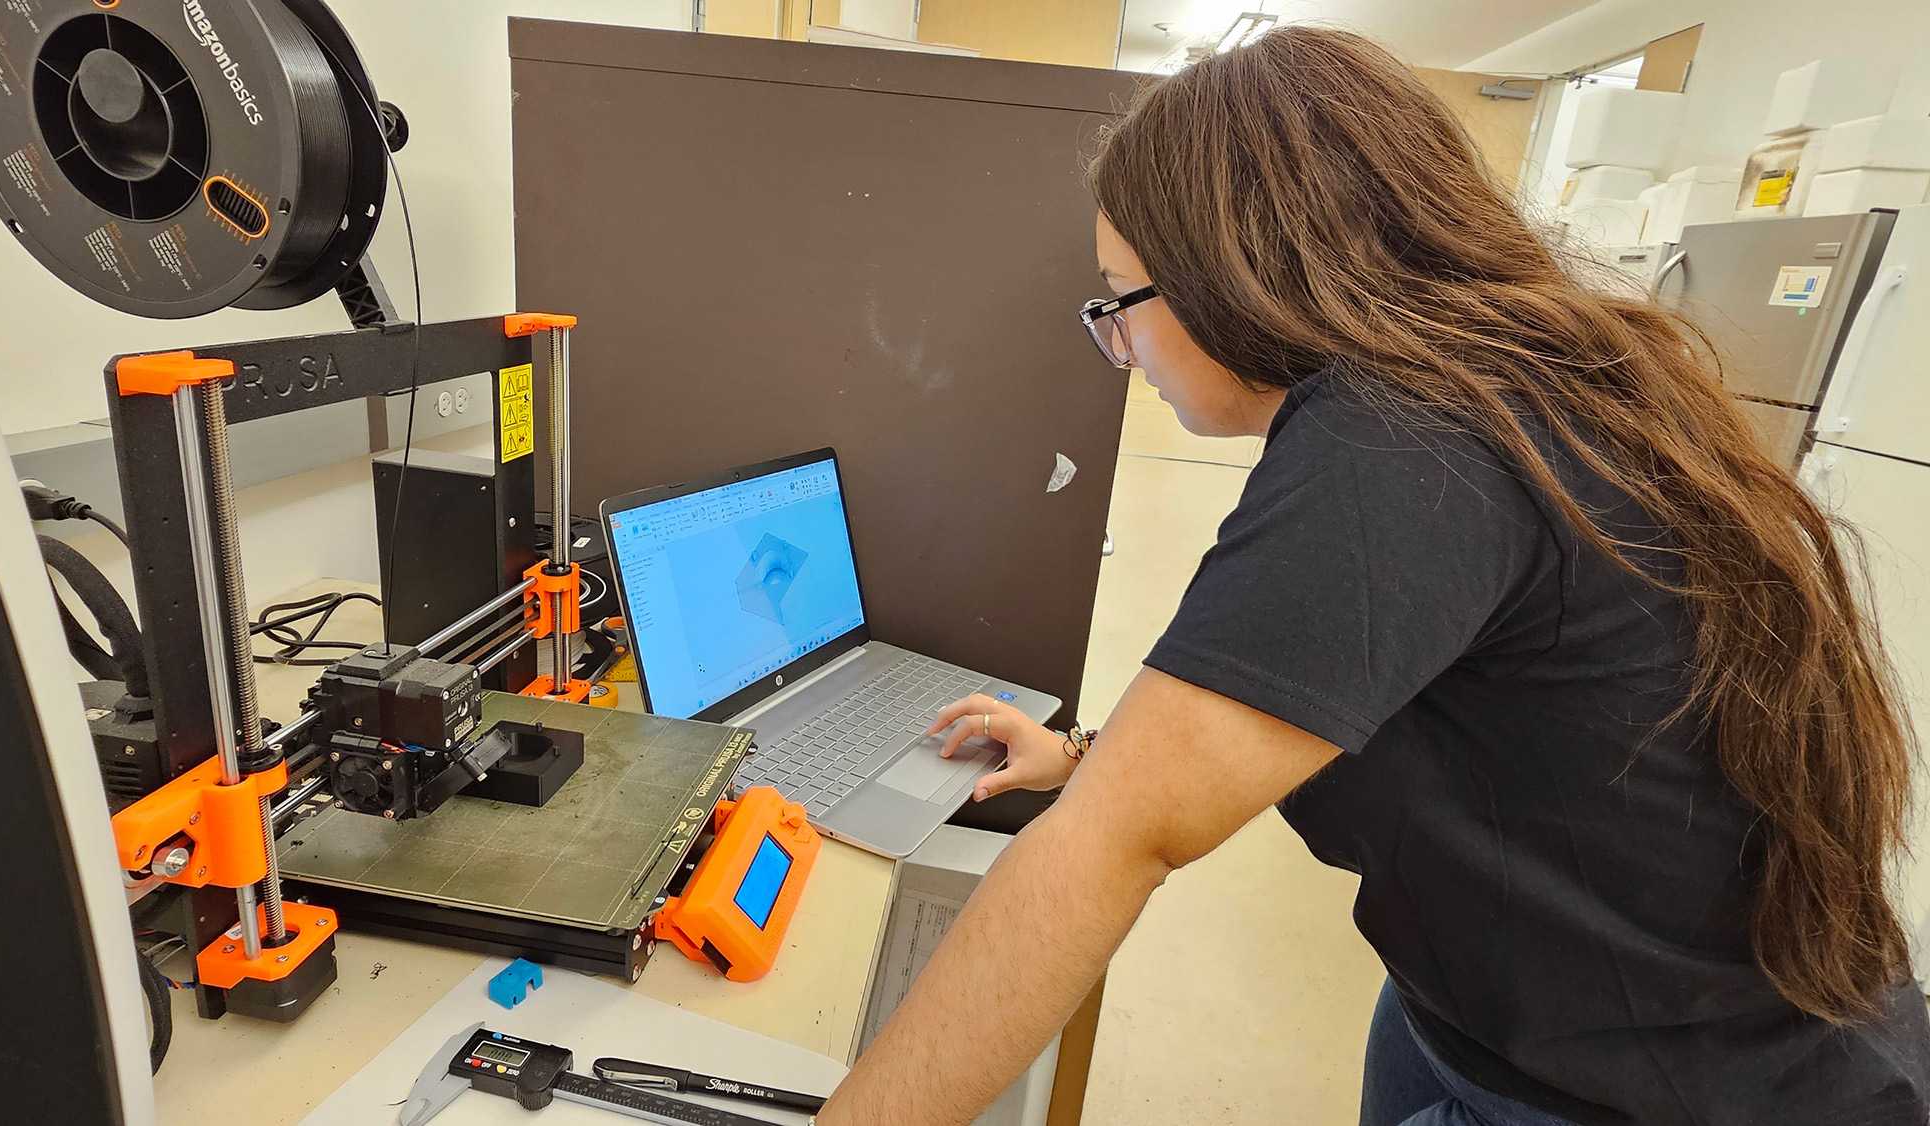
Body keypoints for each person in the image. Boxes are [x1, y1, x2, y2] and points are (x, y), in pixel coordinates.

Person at [815, 25, 1930, 1126]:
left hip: (1659, 1091)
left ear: (1228, 276)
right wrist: (1089, 758)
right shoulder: (1503, 379)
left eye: (1120, 302)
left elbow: (1111, 846)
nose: (1122, 349)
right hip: (1494, 1009)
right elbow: (1329, 696)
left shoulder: (1403, 443)